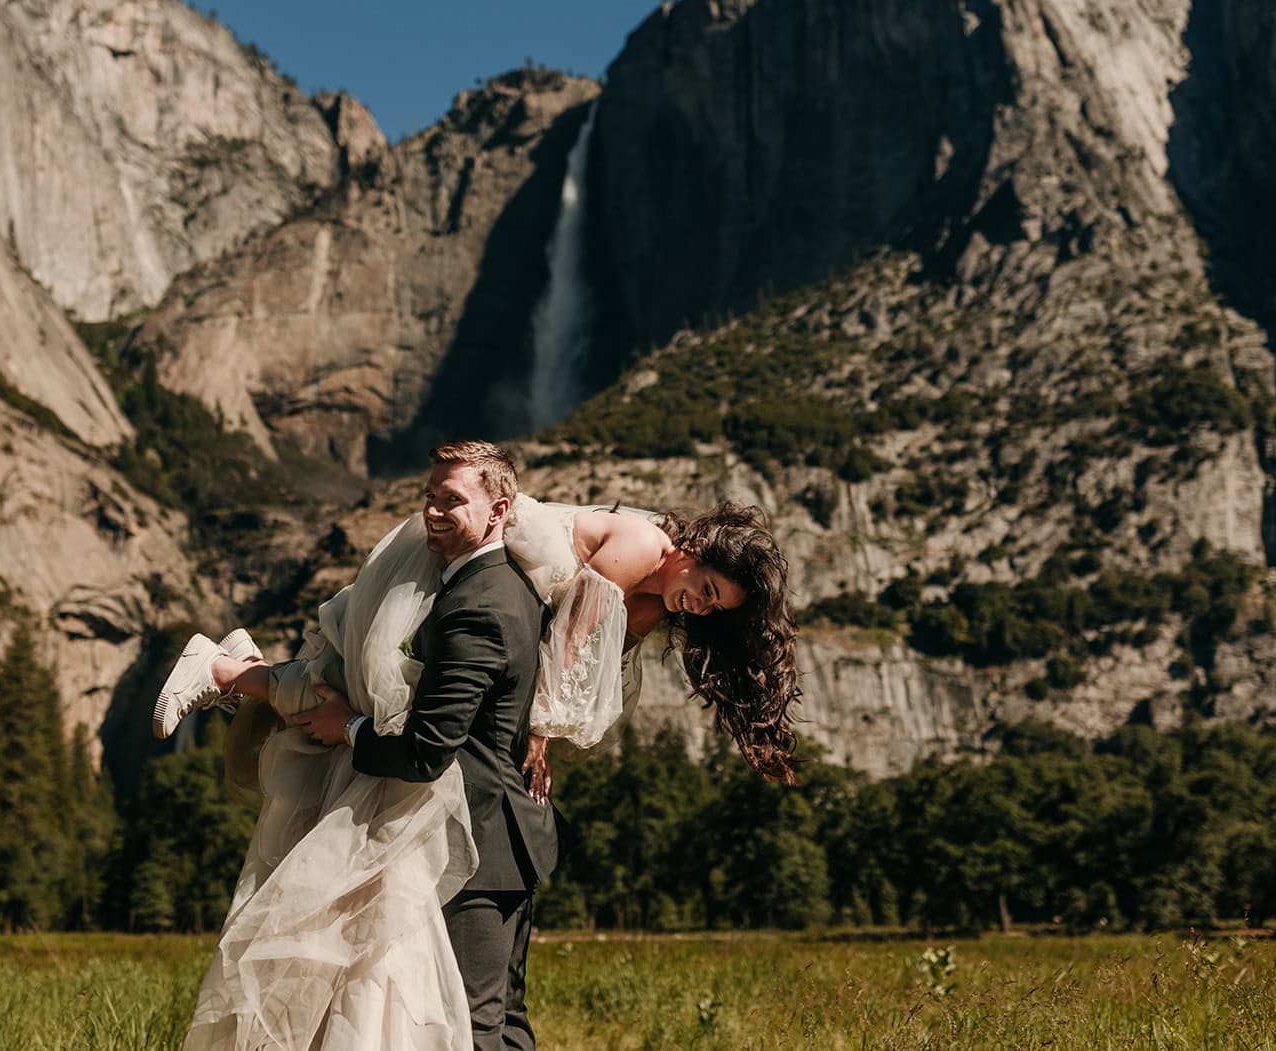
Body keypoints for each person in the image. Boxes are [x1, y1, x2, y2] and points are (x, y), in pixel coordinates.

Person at [162, 441, 802, 1049]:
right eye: (709, 589)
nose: (701, 607)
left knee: (358, 707)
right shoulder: (640, 546)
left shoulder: (659, 597)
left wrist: (540, 724)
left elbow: (579, 662)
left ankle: (241, 671)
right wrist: (538, 732)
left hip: (491, 691)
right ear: (698, 549)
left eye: (714, 610)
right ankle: (228, 672)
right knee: (361, 692)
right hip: (467, 581)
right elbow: (566, 641)